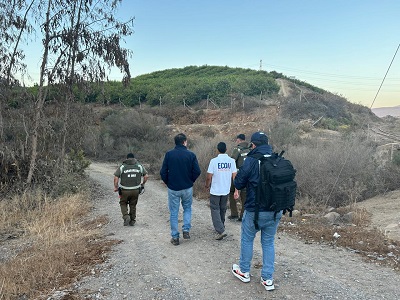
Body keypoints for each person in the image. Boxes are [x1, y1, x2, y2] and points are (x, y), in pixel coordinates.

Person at [231, 131, 282, 292]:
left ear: (253, 145)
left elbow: (239, 182)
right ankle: (268, 279)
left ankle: (244, 271)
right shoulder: (277, 158)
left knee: (247, 239)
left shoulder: (252, 160)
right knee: (268, 242)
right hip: (275, 210)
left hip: (255, 209)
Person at [160, 133, 201, 246]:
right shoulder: (191, 155)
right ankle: (186, 229)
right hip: (187, 187)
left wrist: (168, 182)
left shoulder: (169, 154)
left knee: (174, 212)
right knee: (187, 208)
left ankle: (175, 237)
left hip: (173, 188)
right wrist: (190, 180)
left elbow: (163, 172)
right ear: (184, 142)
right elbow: (197, 171)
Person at [205, 142, 237, 240]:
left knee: (215, 209)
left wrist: (207, 185)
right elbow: (235, 176)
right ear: (226, 149)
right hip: (226, 189)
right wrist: (236, 189)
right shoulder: (231, 161)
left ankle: (221, 230)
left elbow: (209, 176)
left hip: (215, 190)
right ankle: (221, 225)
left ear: (217, 150)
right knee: (223, 209)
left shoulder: (214, 161)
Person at [114, 153, 148, 226]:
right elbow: (146, 176)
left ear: (126, 158)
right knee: (133, 204)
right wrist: (143, 183)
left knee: (123, 203)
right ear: (134, 158)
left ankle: (126, 217)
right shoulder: (139, 166)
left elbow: (116, 178)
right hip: (136, 190)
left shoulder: (122, 166)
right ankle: (132, 220)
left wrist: (116, 187)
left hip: (124, 190)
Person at [228, 134, 251, 221]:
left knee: (231, 192)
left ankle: (234, 213)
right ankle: (243, 216)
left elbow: (232, 161)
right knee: (244, 194)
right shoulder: (250, 149)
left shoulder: (237, 149)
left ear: (238, 140)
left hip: (237, 175)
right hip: (247, 175)